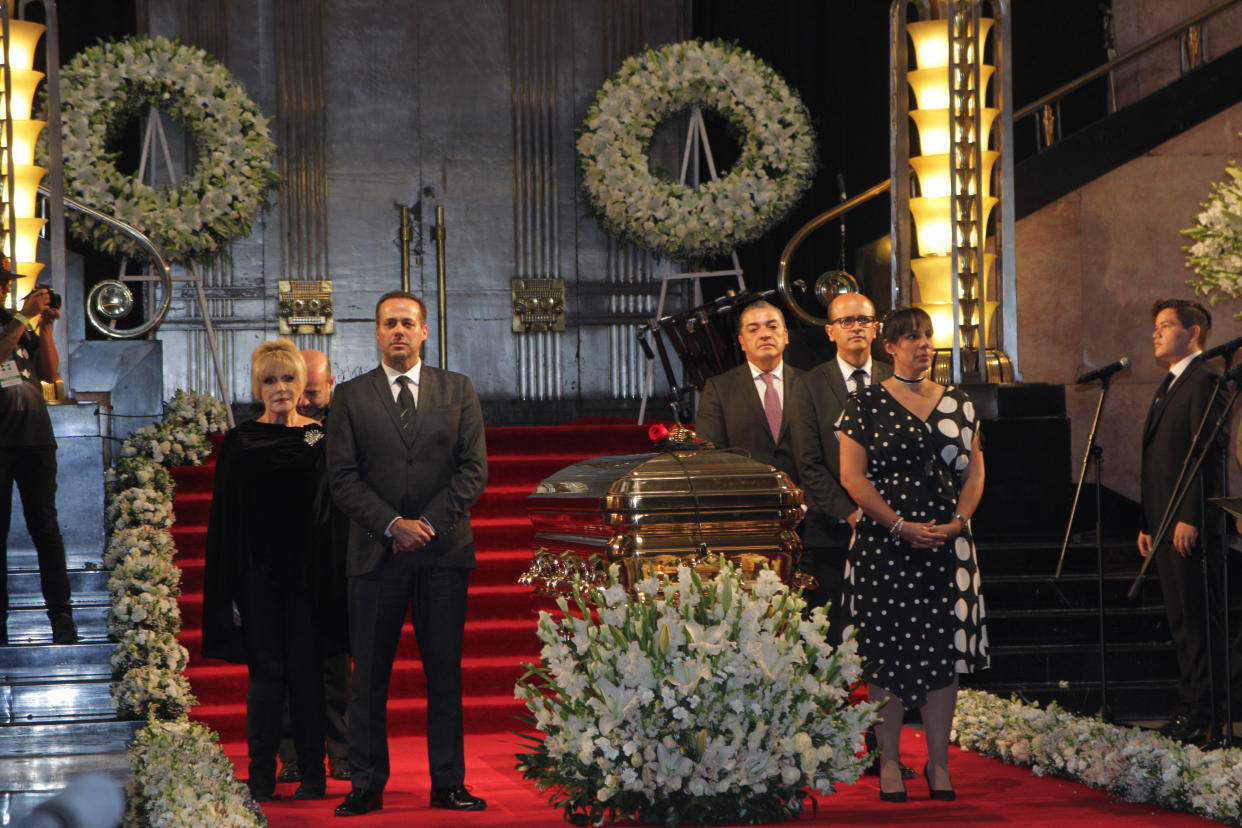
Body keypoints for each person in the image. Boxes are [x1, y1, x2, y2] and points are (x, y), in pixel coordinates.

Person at [327, 291, 488, 816]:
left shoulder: (457, 389)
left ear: (424, 332)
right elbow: (342, 478)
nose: (398, 331)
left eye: (408, 323)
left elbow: (473, 470)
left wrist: (427, 526)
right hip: (376, 556)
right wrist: (394, 525)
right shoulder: (350, 397)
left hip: (442, 556)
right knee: (368, 677)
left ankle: (449, 783)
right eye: (389, 323)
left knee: (444, 674)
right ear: (376, 332)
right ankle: (366, 785)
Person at [838, 307, 987, 803]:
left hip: (946, 545)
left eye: (927, 336)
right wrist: (899, 525)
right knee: (886, 654)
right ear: (890, 346)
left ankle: (939, 764)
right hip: (885, 545)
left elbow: (975, 473)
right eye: (911, 337)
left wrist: (958, 523)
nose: (923, 344)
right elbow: (852, 478)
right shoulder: (863, 403)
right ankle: (888, 761)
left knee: (943, 652)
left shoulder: (961, 403)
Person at [201, 339, 330, 802]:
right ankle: (260, 776)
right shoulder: (241, 440)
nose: (280, 388)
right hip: (256, 575)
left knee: (307, 676)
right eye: (270, 380)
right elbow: (226, 519)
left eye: (289, 378)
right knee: (266, 676)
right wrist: (229, 589)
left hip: (308, 575)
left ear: (303, 385)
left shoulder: (316, 436)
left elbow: (332, 507)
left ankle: (314, 775)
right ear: (258, 387)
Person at [1139, 299, 1228, 744]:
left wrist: (1191, 516)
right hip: (1165, 524)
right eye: (1155, 326)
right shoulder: (1171, 383)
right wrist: (1150, 522)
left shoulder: (1206, 379)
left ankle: (1203, 716)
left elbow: (1207, 457)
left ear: (1193, 333)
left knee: (1196, 621)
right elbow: (1160, 463)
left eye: (1166, 325)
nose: (1156, 333)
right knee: (1179, 621)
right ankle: (1189, 709)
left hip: (1189, 527)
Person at [791, 292, 891, 630]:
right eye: (846, 321)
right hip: (833, 531)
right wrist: (853, 514)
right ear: (830, 331)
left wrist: (883, 515)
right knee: (836, 631)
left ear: (876, 328)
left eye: (863, 320)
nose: (856, 327)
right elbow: (809, 463)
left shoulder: (895, 380)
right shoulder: (808, 385)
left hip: (893, 526)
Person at [276, 348, 351, 784]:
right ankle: (293, 756)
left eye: (314, 392)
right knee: (287, 670)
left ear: (332, 384)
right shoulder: (275, 427)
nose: (304, 400)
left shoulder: (345, 424)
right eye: (298, 390)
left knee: (336, 670)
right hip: (289, 562)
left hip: (336, 559)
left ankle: (341, 753)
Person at [0, 277, 76, 645]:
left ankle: (62, 617)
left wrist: (43, 327)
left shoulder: (21, 327)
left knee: (46, 529)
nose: (3, 291)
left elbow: (49, 374)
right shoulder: (13, 324)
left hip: (35, 440)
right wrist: (21, 319)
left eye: (4, 286)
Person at [695, 299, 802, 482]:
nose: (765, 334)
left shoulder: (809, 383)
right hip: (744, 500)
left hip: (804, 502)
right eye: (754, 329)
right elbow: (709, 455)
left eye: (772, 327)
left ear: (785, 336)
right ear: (742, 342)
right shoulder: (719, 389)